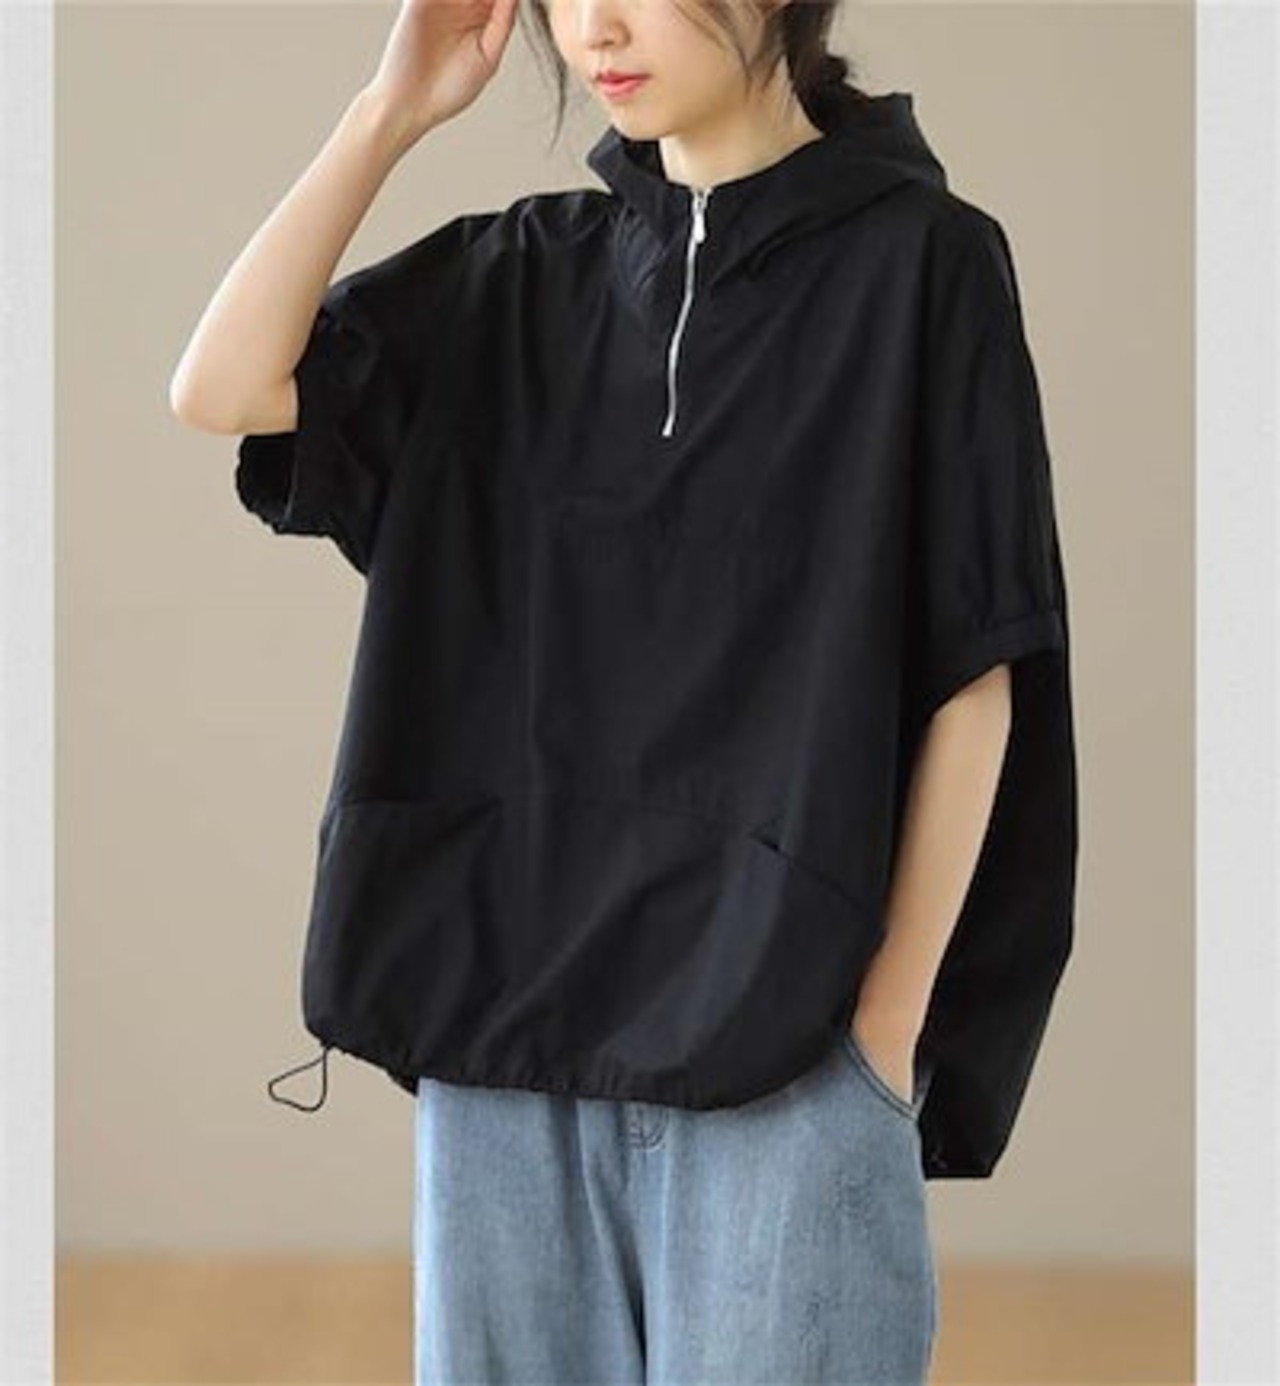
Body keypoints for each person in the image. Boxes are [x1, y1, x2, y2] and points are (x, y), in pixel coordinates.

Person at [171, 0, 1078, 1380]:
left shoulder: (924, 265)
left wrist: (879, 1032)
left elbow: (977, 662)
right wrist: (387, 116)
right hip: (506, 1050)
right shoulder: (515, 279)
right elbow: (224, 387)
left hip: (786, 1048)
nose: (594, 25)